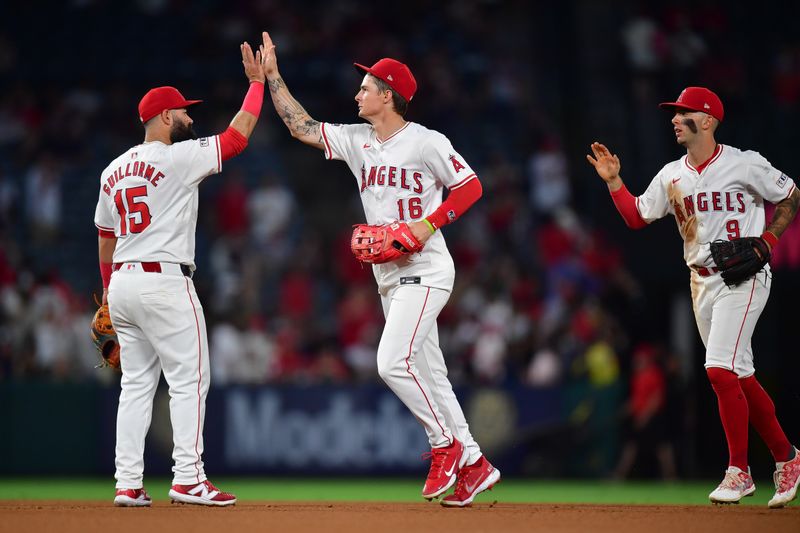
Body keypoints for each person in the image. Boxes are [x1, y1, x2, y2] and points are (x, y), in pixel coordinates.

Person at [259, 31, 499, 507]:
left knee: (390, 362)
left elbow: (470, 187)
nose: (357, 94)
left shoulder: (427, 142)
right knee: (432, 377)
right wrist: (273, 78)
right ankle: (474, 464)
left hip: (427, 268)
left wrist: (427, 226)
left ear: (388, 95)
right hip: (388, 277)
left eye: (366, 87)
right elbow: (300, 126)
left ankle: (443, 445)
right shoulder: (356, 141)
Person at [587, 86, 800, 508]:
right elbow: (636, 216)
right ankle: (787, 457)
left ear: (706, 120)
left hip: (745, 274)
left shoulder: (744, 163)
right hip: (700, 280)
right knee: (737, 375)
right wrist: (614, 182)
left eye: (682, 112)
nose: (673, 119)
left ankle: (738, 472)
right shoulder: (671, 174)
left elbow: (791, 195)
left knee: (719, 370)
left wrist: (770, 239)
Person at [94, 42, 266, 507]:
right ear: (165, 117)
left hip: (125, 282)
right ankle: (188, 477)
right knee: (190, 378)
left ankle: (127, 484)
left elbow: (105, 238)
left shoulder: (113, 170)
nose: (190, 117)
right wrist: (256, 85)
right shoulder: (177, 158)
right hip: (165, 281)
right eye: (184, 112)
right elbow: (238, 136)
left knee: (136, 385)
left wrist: (109, 293)